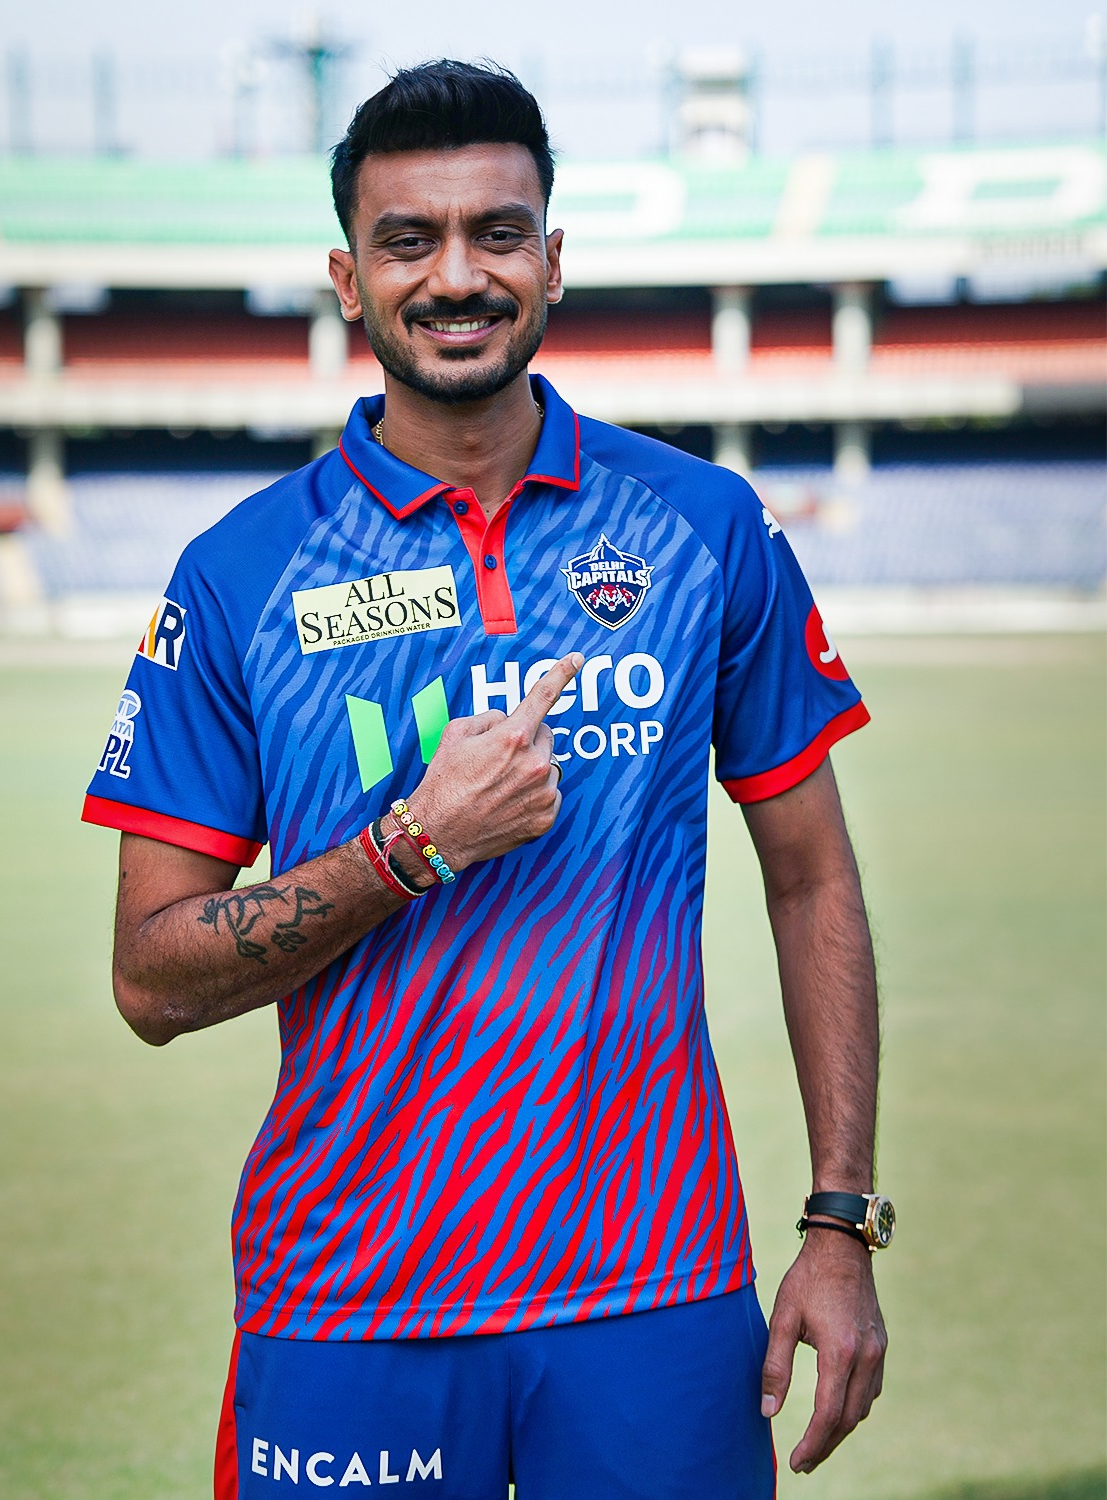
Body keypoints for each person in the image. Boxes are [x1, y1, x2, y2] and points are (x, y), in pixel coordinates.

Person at [83, 59, 889, 1500]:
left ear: (552, 261)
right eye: (410, 240)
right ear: (349, 279)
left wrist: (841, 1223)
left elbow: (813, 875)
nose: (457, 275)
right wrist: (412, 846)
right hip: (349, 1292)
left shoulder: (704, 527)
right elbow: (152, 979)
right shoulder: (242, 574)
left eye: (497, 233)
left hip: (659, 1286)